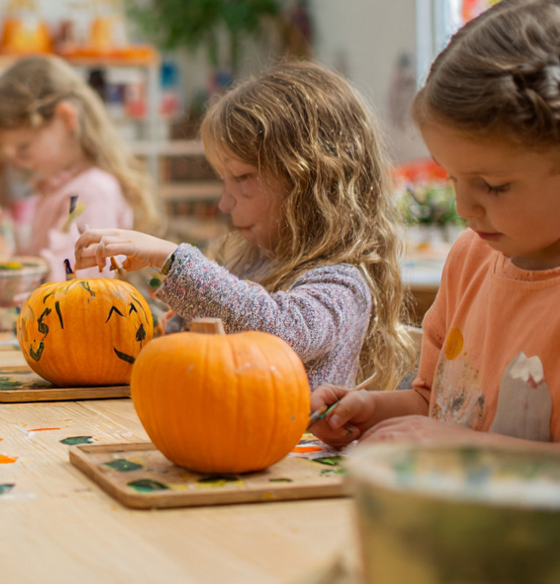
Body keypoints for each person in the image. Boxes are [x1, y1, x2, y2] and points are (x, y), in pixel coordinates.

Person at [309, 0, 560, 533]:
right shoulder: (474, 254)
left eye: (493, 185)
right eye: (454, 178)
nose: (464, 206)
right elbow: (440, 402)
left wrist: (457, 450)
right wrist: (376, 411)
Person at [75, 61, 413, 389]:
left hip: (293, 446)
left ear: (310, 182)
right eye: (225, 180)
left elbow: (277, 332)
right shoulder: (247, 260)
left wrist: (173, 260)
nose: (225, 202)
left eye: (241, 178)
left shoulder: (343, 284)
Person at [0, 55, 158, 282]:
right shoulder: (58, 187)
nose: (17, 162)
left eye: (23, 148)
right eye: (9, 154)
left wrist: (12, 277)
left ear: (65, 118)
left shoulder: (92, 191)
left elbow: (78, 275)